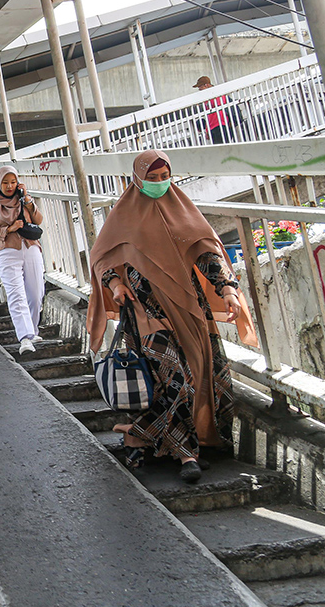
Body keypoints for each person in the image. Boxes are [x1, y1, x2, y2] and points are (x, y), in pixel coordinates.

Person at [86, 150, 257, 484]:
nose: (160, 184)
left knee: (198, 376)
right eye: (152, 178)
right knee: (177, 378)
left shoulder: (183, 211)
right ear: (137, 179)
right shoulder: (124, 216)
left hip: (188, 309)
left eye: (165, 177)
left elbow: (208, 252)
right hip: (144, 311)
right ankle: (186, 454)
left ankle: (138, 434)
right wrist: (116, 283)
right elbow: (102, 258)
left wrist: (228, 290)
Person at [0, 166, 46, 354]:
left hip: (31, 246)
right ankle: (25, 338)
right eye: (5, 182)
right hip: (6, 251)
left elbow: (39, 219)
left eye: (13, 181)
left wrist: (27, 200)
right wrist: (8, 230)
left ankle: (33, 331)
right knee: (16, 294)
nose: (9, 186)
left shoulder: (23, 199)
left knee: (36, 292)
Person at [194, 75, 234, 144]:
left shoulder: (217, 94)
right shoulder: (208, 98)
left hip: (221, 125)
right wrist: (207, 130)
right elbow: (209, 116)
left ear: (206, 85)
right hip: (214, 128)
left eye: (200, 88)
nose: (200, 91)